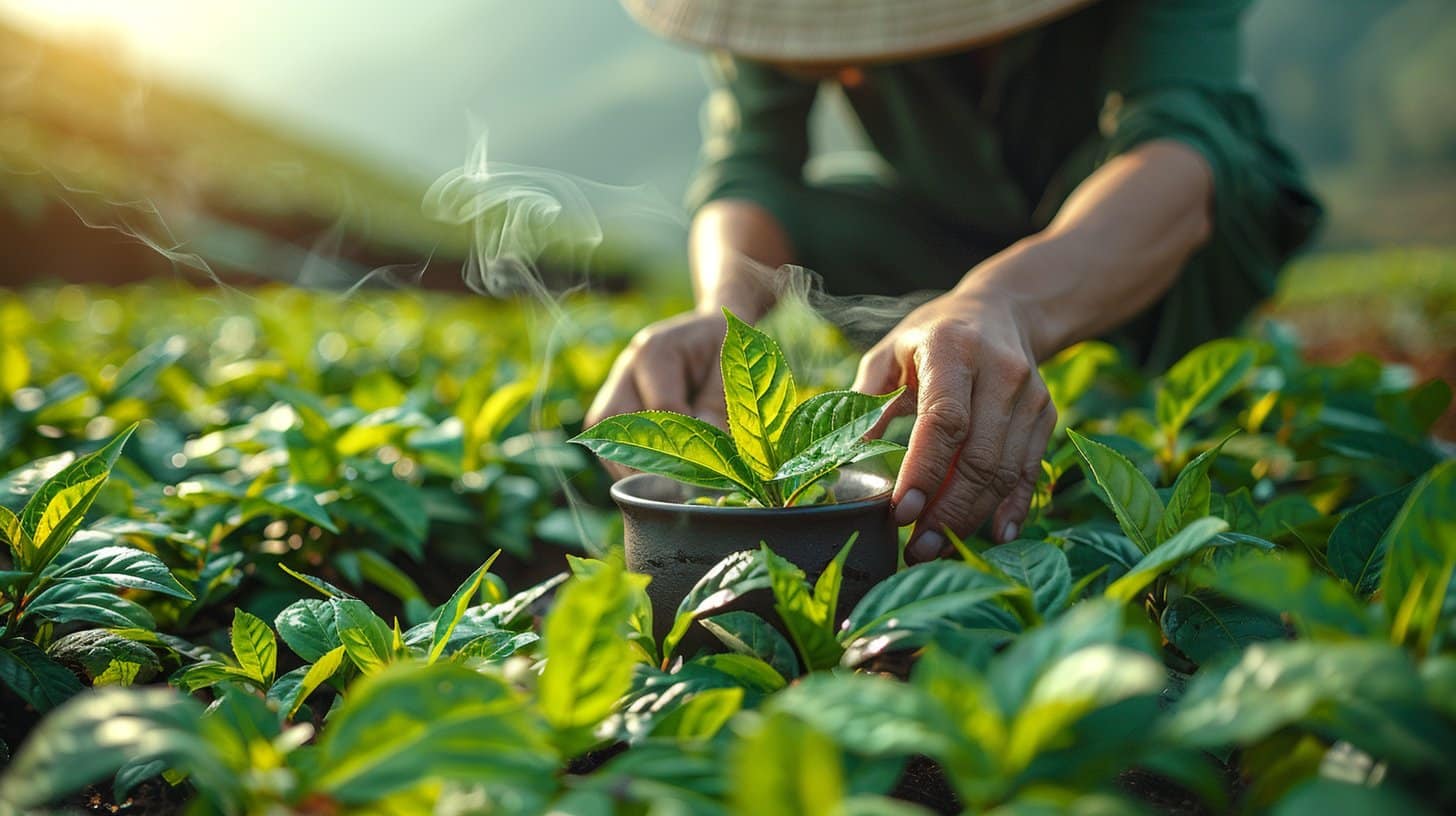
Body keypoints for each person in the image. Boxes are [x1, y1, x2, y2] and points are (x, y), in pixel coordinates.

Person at [589, 0, 1321, 564]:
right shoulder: (777, 15)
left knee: (1214, 182)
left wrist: (1002, 300)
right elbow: (752, 164)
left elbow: (1179, 153)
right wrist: (722, 312)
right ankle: (966, 347)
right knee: (820, 219)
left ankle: (1086, 359)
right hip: (945, 233)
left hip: (1150, 249)